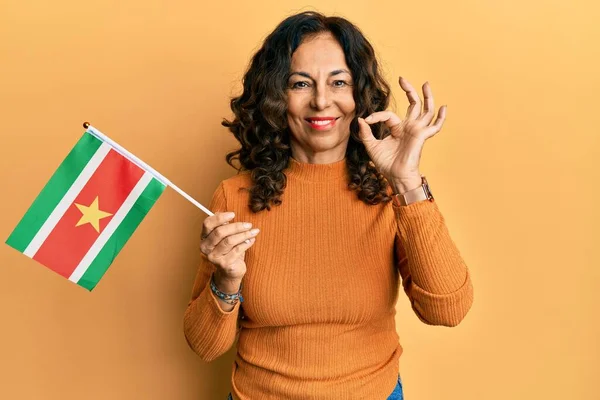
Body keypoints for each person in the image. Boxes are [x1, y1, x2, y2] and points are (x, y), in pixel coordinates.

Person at [183, 10, 474, 400]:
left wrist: (407, 182)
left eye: (339, 82)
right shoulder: (234, 197)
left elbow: (448, 310)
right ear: (276, 97)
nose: (321, 101)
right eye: (300, 83)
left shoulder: (393, 195)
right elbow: (205, 346)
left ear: (358, 96)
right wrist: (226, 282)